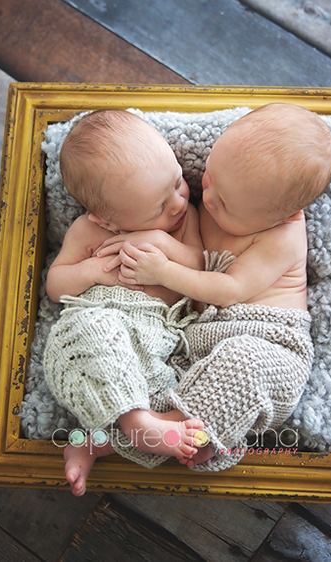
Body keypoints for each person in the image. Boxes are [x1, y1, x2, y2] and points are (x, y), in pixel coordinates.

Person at [107, 103, 331, 470]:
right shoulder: (218, 199)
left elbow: (229, 289)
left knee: (242, 363)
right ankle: (144, 431)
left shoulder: (283, 236)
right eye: (211, 176)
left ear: (283, 215)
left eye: (225, 203)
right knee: (137, 357)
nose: (207, 197)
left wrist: (163, 272)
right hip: (199, 342)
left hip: (270, 347)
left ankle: (145, 435)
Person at [42, 109, 207, 496]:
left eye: (178, 182)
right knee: (95, 335)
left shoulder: (184, 222)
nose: (177, 203)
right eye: (158, 207)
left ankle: (97, 442)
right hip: (98, 327)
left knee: (167, 393)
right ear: (107, 220)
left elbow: (200, 266)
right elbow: (56, 284)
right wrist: (93, 272)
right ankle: (139, 427)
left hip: (157, 338)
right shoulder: (87, 231)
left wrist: (165, 249)